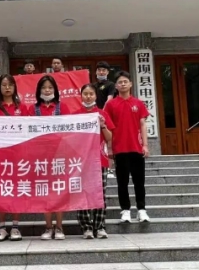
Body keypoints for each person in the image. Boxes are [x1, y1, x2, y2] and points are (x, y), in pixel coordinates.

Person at [0, 74, 30, 241]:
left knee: (17, 189)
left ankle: (15, 226)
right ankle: (2, 227)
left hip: (19, 156)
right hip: (0, 155)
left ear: (15, 87)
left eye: (10, 85)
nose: (7, 88)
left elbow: (30, 128)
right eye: (4, 84)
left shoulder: (23, 107)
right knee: (1, 190)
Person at [103, 71, 150, 224]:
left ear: (130, 84)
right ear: (116, 86)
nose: (123, 84)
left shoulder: (138, 103)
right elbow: (107, 127)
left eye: (125, 81)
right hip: (119, 148)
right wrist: (110, 148)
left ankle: (141, 209)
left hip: (136, 147)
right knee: (122, 182)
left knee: (139, 181)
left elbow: (143, 124)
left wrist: (145, 145)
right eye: (120, 82)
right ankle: (125, 210)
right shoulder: (111, 104)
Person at [29, 75, 71, 240]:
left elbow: (70, 129)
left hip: (59, 154)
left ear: (55, 90)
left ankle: (59, 227)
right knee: (45, 190)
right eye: (44, 87)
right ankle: (48, 227)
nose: (47, 90)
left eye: (50, 87)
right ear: (39, 90)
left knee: (59, 190)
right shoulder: (33, 109)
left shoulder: (62, 107)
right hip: (40, 156)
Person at [73, 84, 115, 239]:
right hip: (81, 161)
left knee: (100, 193)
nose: (88, 96)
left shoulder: (102, 114)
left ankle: (100, 226)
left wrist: (102, 125)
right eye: (85, 93)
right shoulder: (75, 115)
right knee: (82, 193)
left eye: (91, 93)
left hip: (99, 160)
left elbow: (110, 137)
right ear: (81, 95)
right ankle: (86, 227)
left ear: (96, 96)